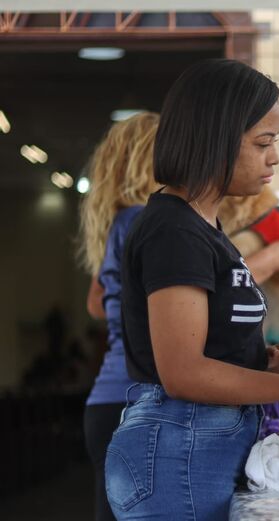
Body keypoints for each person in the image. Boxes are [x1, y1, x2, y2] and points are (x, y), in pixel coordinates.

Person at [105, 59, 279, 520]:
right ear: (216, 138)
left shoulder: (204, 228)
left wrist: (265, 361)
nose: (274, 157)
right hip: (178, 452)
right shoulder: (172, 229)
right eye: (263, 143)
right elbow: (184, 372)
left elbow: (209, 349)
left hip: (199, 447)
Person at [78, 111, 160, 521]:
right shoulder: (144, 221)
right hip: (132, 400)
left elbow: (97, 303)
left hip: (109, 399)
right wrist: (267, 259)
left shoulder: (119, 222)